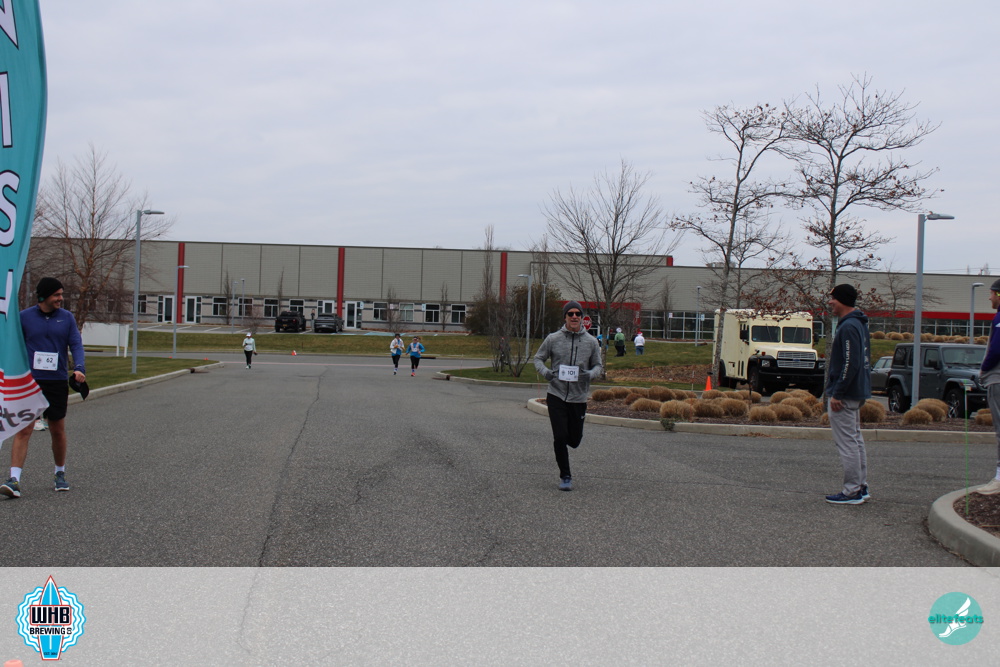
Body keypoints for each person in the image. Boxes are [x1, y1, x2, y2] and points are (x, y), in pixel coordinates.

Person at [1, 278, 85, 499]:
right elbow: (13, 345)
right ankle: (14, 480)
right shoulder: (24, 317)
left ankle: (60, 473)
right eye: (56, 295)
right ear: (44, 296)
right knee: (24, 429)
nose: (61, 298)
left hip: (56, 381)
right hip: (30, 381)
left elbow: (76, 344)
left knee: (57, 429)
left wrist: (79, 368)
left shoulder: (66, 318)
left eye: (61, 294)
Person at [533, 300, 603, 491]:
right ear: (565, 317)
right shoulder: (553, 339)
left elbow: (598, 365)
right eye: (570, 314)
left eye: (577, 314)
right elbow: (538, 358)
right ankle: (565, 475)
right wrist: (546, 373)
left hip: (578, 398)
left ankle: (571, 442)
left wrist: (590, 374)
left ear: (582, 318)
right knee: (560, 436)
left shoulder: (591, 342)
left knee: (574, 439)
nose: (574, 317)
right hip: (556, 394)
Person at [823, 284, 872, 505]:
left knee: (847, 443)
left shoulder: (849, 326)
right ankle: (860, 487)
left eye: (833, 298)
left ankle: (852, 491)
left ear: (842, 299)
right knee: (855, 440)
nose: (830, 302)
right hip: (855, 392)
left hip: (846, 394)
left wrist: (838, 393)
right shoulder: (858, 324)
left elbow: (850, 363)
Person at [975, 278, 1000, 495]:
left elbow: (996, 349)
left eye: (992, 293)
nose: (989, 297)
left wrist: (984, 368)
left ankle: (999, 478)